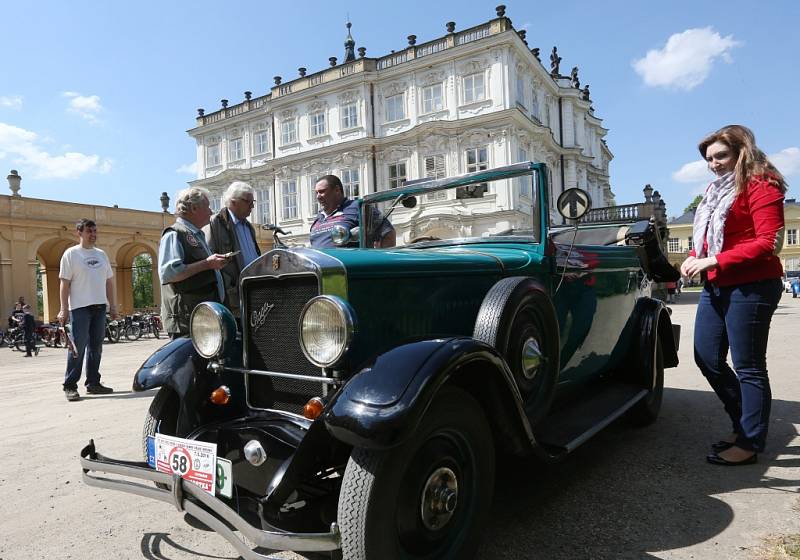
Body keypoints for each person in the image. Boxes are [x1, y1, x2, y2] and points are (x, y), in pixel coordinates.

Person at [680, 125, 786, 466]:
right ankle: (743, 424)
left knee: (749, 366)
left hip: (752, 285)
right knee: (706, 357)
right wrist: (695, 256)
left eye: (721, 156)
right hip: (716, 283)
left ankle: (751, 441)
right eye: (709, 159)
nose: (714, 164)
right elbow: (710, 238)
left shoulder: (763, 185)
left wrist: (715, 259)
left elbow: (767, 242)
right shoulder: (714, 192)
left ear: (742, 151)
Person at [58, 218, 118, 401]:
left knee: (96, 347)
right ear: (80, 233)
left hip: (99, 307)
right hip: (79, 308)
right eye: (89, 231)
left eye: (94, 231)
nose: (93, 234)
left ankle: (93, 383)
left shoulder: (101, 254)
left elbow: (109, 281)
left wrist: (112, 305)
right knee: (77, 347)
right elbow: (64, 283)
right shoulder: (71, 254)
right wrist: (63, 309)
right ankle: (70, 385)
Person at [159, 187, 229, 338]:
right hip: (187, 322)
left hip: (201, 319)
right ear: (194, 208)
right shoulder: (174, 233)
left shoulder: (197, 235)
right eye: (207, 207)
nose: (211, 212)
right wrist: (207, 264)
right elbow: (169, 274)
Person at [204, 181, 261, 317]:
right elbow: (209, 262)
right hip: (232, 300)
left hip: (253, 294)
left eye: (253, 201)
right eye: (248, 201)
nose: (252, 206)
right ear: (233, 202)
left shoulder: (249, 227)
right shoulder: (215, 223)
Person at [309, 175, 396, 249]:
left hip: (346, 267)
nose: (318, 197)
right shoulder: (318, 218)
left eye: (322, 191)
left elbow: (388, 232)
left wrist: (379, 261)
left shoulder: (357, 207)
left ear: (337, 190)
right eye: (316, 193)